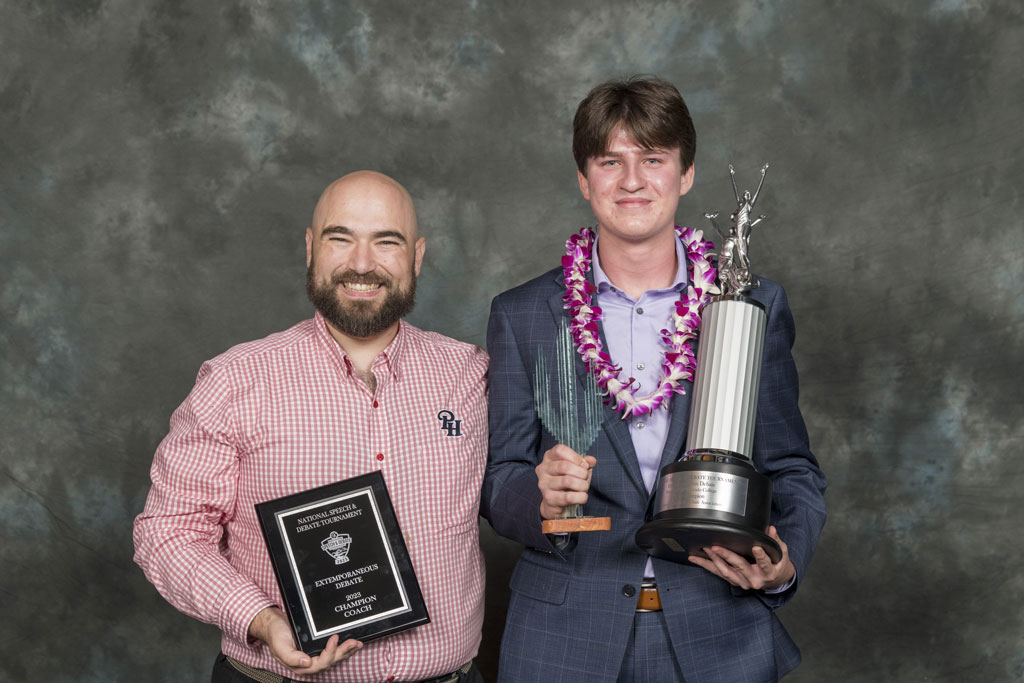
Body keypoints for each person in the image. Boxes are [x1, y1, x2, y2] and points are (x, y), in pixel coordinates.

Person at [480, 77, 827, 682]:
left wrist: (783, 560)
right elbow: (499, 477)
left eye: (654, 159)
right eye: (610, 161)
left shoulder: (749, 304)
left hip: (718, 633)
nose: (633, 180)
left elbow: (793, 468)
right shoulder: (522, 315)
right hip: (563, 642)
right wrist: (539, 496)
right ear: (585, 180)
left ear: (686, 173)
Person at [134, 171, 488, 683]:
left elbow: (518, 486)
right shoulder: (234, 381)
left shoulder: (471, 373)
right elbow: (168, 533)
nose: (361, 264)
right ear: (309, 247)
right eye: (339, 238)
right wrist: (260, 618)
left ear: (417, 255)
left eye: (386, 242)